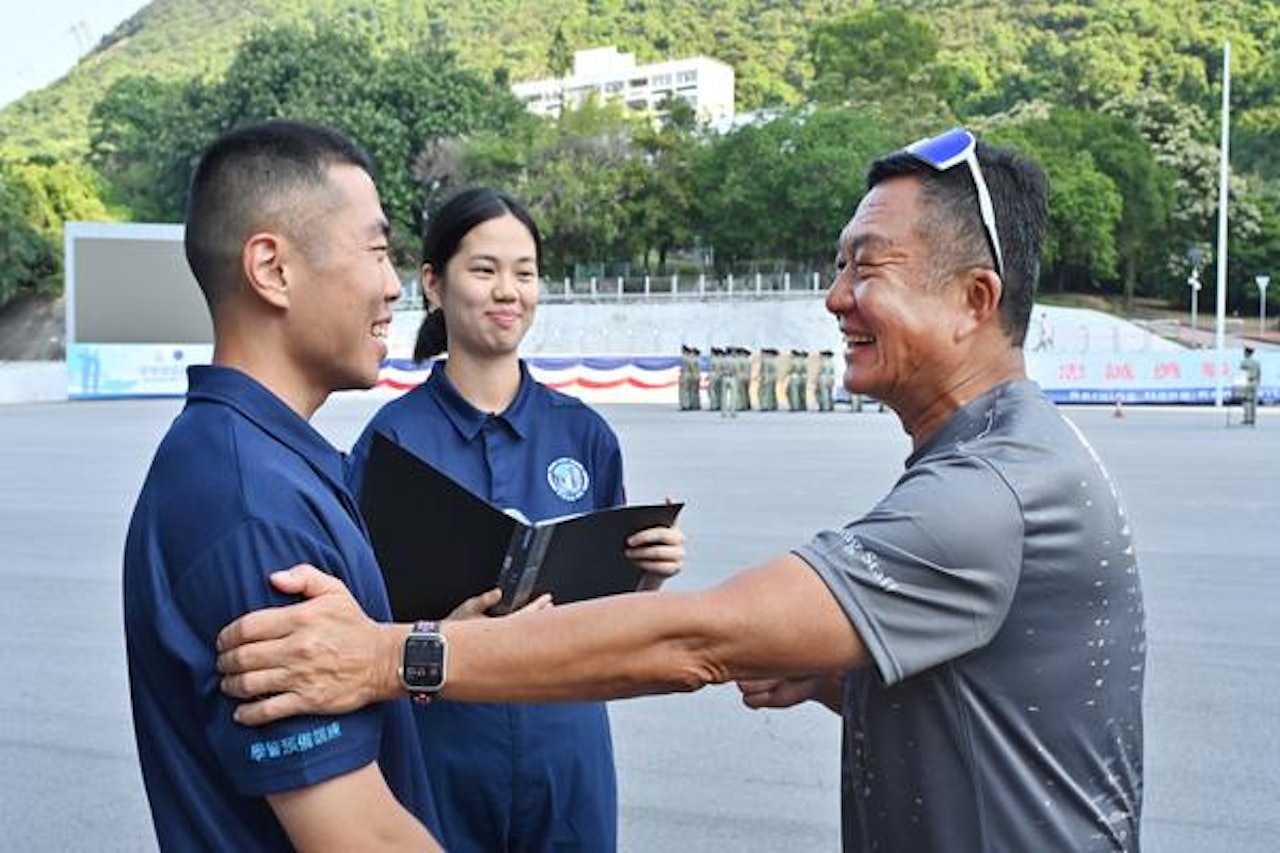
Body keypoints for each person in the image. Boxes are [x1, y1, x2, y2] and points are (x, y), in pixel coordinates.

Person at [216, 128, 1146, 851]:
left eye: (867, 265)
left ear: (974, 300)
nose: (833, 297)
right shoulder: (991, 458)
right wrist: (845, 682)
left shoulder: (990, 488)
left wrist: (388, 658)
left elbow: (696, 635)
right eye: (837, 263)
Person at [122, 120, 442, 850]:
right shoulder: (250, 506)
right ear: (272, 268)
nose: (394, 284)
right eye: (377, 248)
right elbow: (362, 838)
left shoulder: (257, 460)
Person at [345, 186, 686, 852]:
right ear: (434, 284)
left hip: (567, 754)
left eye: (524, 272)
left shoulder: (585, 435)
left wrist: (649, 574)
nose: (509, 290)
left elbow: (609, 611)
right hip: (441, 750)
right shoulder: (391, 444)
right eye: (485, 269)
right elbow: (358, 614)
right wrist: (437, 636)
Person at [1239, 345, 1261, 426]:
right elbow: (1259, 374)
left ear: (1246, 353)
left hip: (1247, 382)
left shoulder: (1244, 362)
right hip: (1254, 382)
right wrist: (1258, 382)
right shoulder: (1257, 363)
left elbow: (1242, 374)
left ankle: (1246, 418)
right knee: (1253, 402)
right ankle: (1253, 419)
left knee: (1246, 401)